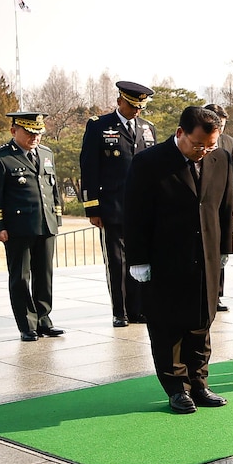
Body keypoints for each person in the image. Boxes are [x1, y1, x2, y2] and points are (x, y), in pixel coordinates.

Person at [124, 107, 233, 413]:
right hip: (165, 257)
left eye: (210, 144)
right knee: (168, 325)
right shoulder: (149, 163)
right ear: (180, 134)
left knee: (202, 321)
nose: (204, 151)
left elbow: (225, 207)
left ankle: (199, 382)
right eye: (198, 144)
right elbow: (135, 213)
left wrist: (224, 248)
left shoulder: (220, 158)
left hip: (206, 256)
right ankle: (176, 387)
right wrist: (138, 259)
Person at [79, 80, 156, 327]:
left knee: (139, 258)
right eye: (132, 105)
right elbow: (89, 168)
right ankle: (119, 311)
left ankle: (138, 309)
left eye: (140, 107)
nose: (136, 111)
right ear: (119, 101)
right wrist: (92, 207)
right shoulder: (99, 126)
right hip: (112, 206)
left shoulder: (147, 128)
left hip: (141, 208)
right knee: (117, 262)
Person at [0, 112, 65, 342]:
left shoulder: (47, 153)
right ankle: (27, 324)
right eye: (29, 132)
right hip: (18, 227)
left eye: (38, 132)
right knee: (20, 277)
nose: (35, 137)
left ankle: (43, 319)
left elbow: (53, 189)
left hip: (45, 223)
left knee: (45, 275)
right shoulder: (0, 158)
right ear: (14, 131)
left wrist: (56, 217)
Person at [204, 103, 233, 312]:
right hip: (205, 202)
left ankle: (217, 294)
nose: (222, 130)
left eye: (224, 126)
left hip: (222, 204)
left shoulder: (229, 142)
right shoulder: (198, 138)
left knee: (221, 250)